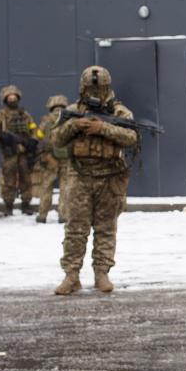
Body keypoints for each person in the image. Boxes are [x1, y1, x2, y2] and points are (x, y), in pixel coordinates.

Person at [52, 66, 137, 295]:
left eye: (99, 88)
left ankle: (102, 273)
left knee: (106, 229)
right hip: (79, 178)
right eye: (91, 88)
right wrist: (74, 126)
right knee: (75, 229)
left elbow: (131, 137)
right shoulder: (72, 111)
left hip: (109, 179)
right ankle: (71, 275)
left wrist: (103, 128)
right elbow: (56, 140)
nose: (95, 92)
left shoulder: (119, 112)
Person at [0, 84, 39, 216]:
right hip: (9, 153)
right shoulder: (1, 115)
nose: (12, 99)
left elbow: (34, 129)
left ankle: (26, 204)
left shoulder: (25, 114)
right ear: (5, 99)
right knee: (8, 180)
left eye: (14, 97)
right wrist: (2, 136)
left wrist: (33, 140)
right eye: (9, 97)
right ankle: (8, 205)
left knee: (26, 179)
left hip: (24, 152)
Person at [33, 94, 71, 223]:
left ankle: (42, 215)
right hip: (66, 157)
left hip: (49, 158)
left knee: (46, 187)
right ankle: (63, 215)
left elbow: (37, 136)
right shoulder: (69, 119)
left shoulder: (46, 120)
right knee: (65, 187)